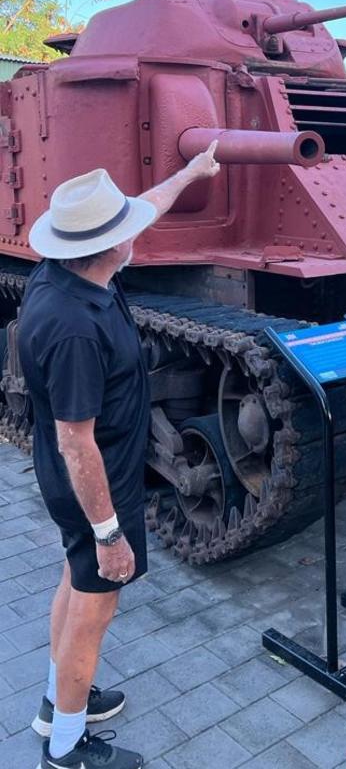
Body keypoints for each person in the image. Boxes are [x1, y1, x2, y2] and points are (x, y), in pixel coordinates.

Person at [18, 142, 220, 769]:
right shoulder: (75, 326)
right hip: (95, 483)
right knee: (96, 604)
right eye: (126, 227)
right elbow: (75, 440)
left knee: (74, 582)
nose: (138, 230)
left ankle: (59, 702)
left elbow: (148, 207)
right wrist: (110, 532)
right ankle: (66, 747)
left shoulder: (69, 274)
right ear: (110, 244)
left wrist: (193, 171)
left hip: (83, 480)